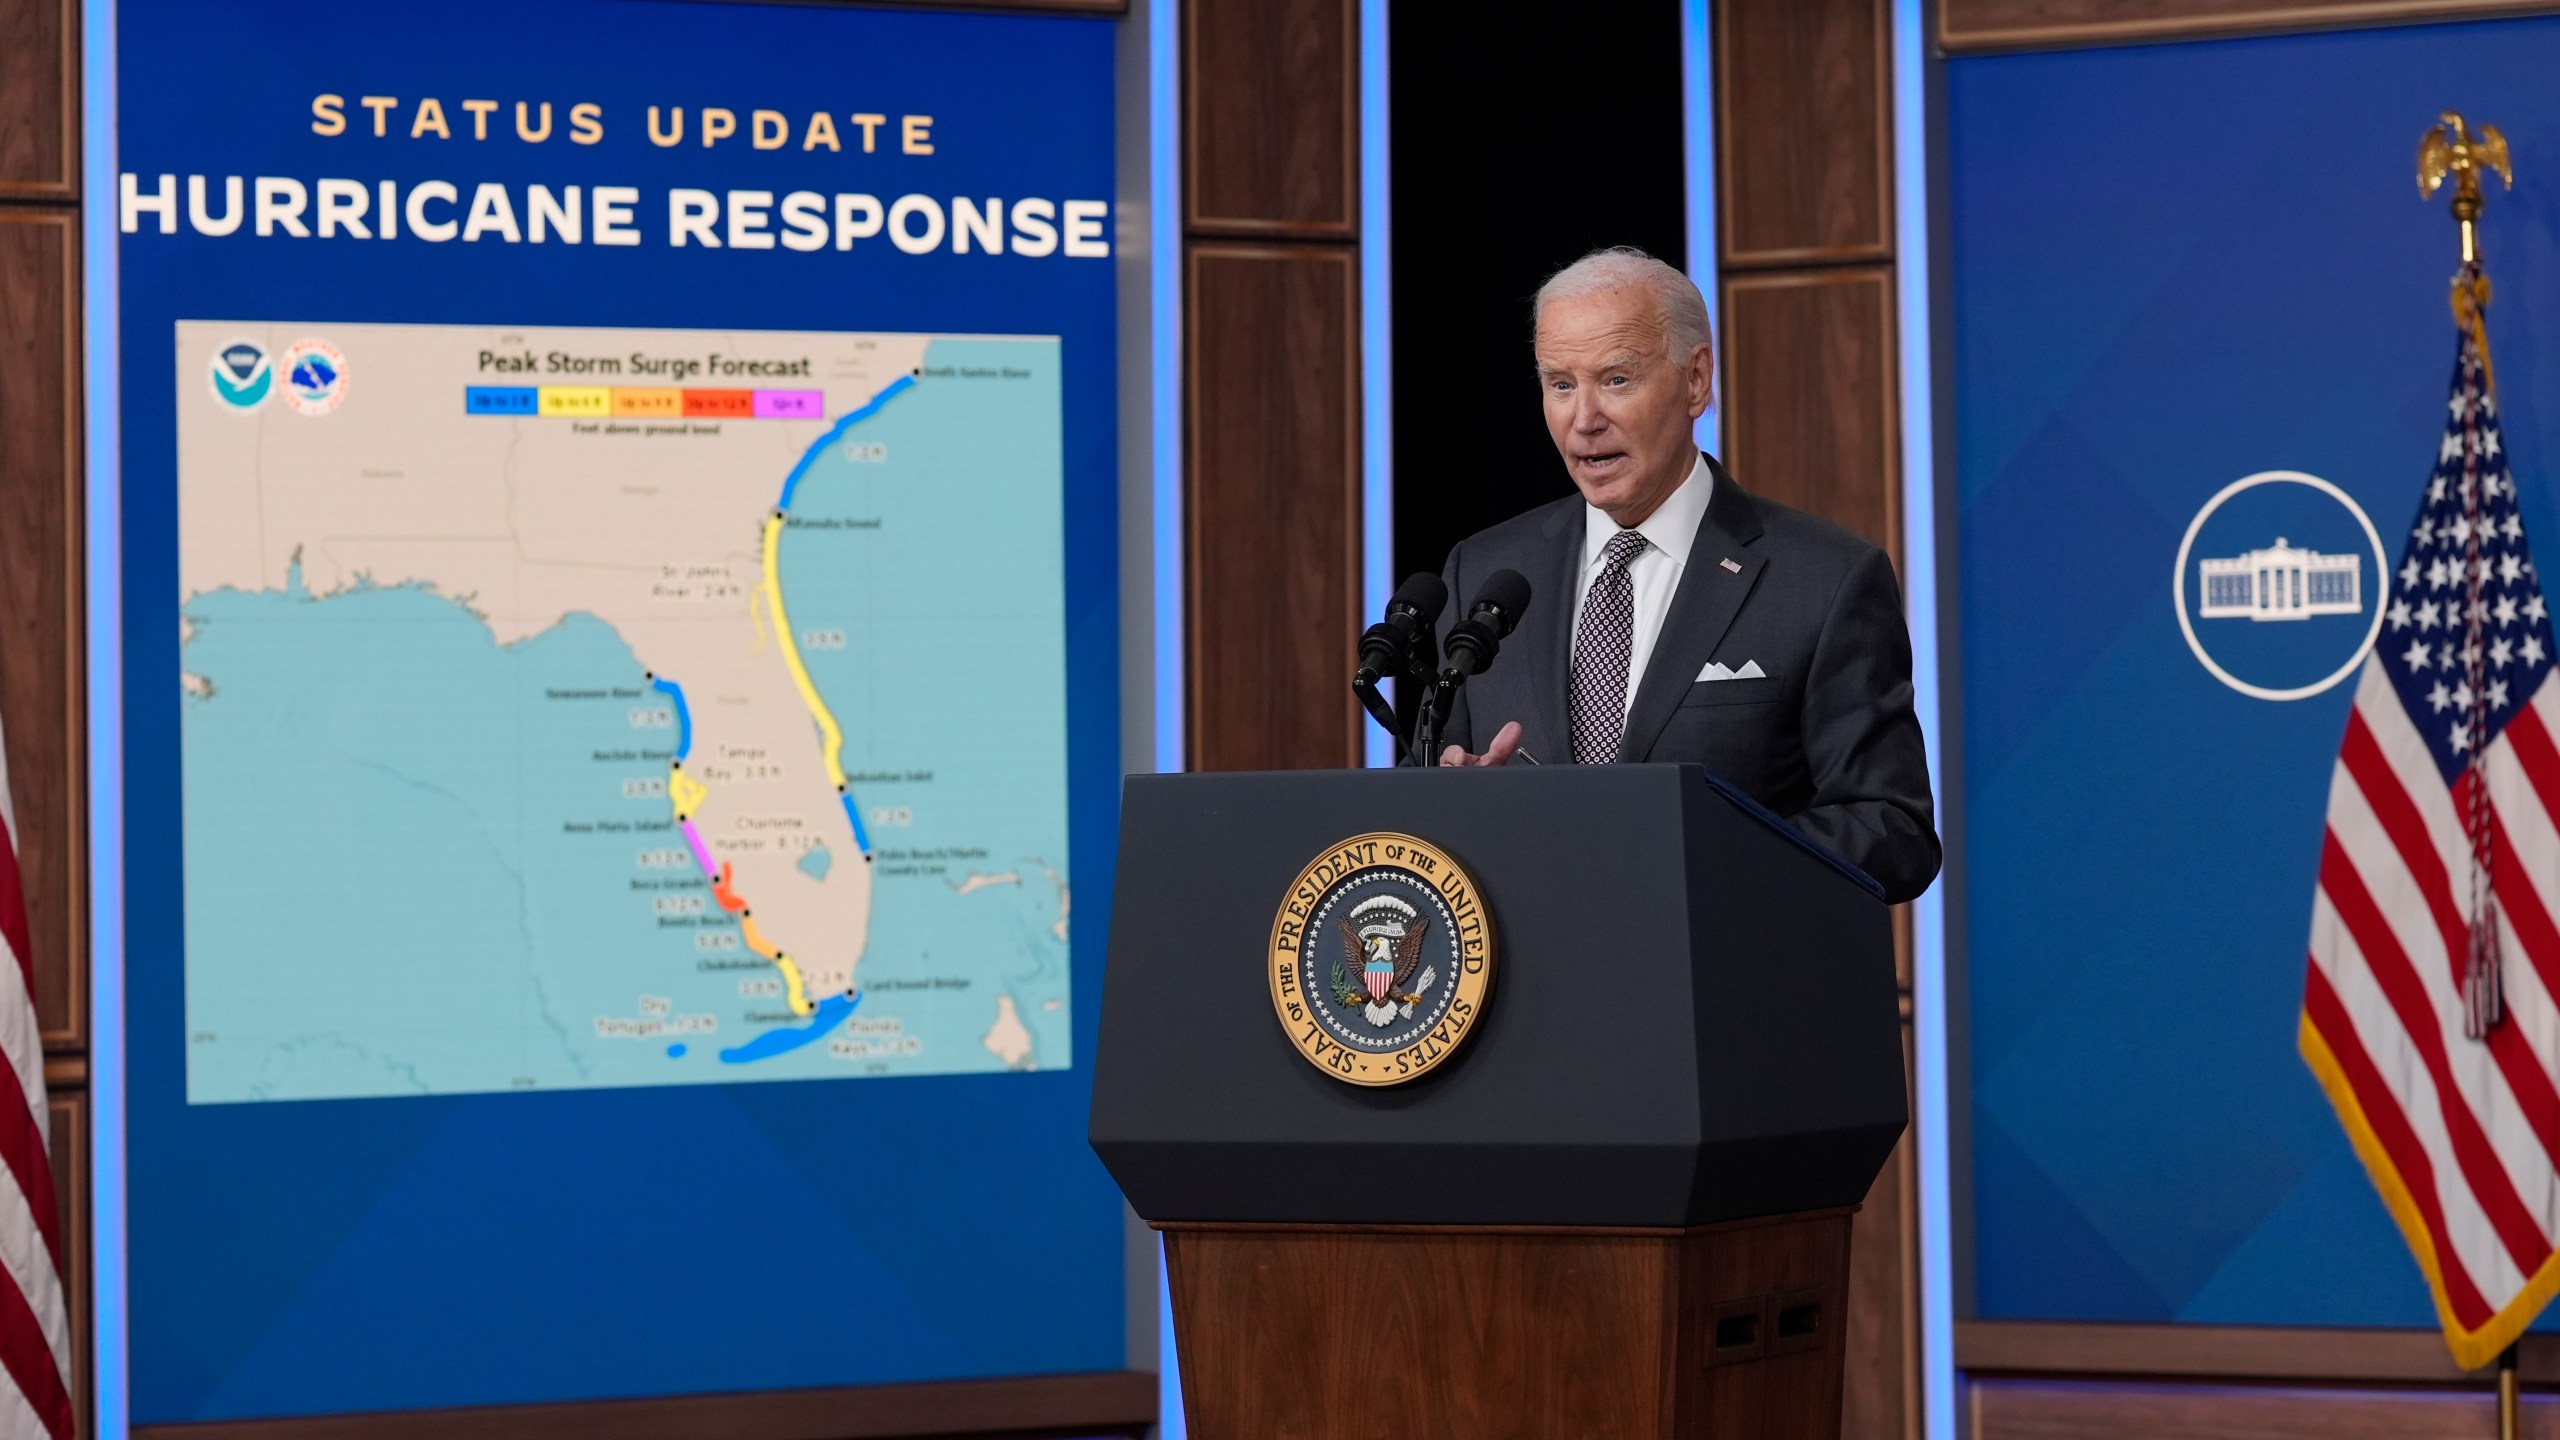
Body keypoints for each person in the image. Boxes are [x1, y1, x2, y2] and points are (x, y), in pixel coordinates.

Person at [1431, 246, 1940, 904]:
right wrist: (1459, 808)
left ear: (1696, 381)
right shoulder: (1484, 573)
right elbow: (1430, 798)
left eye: (1616, 379)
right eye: (1561, 384)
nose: (1584, 419)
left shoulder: (1824, 581)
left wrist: (1692, 858)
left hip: (1724, 989)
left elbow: (1893, 829)